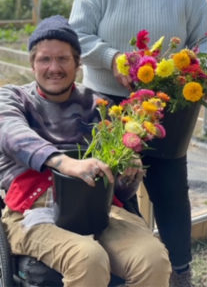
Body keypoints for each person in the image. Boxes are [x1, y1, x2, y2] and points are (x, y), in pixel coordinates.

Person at [68, 0, 207, 287]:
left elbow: (204, 38)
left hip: (166, 110)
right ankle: (131, 272)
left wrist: (186, 70)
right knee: (116, 196)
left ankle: (180, 272)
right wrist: (112, 59)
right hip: (107, 107)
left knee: (170, 192)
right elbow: (76, 34)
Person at [0, 15, 171, 287]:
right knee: (87, 258)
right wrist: (64, 163)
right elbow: (12, 135)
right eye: (45, 59)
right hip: (33, 210)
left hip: (96, 208)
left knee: (152, 259)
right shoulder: (12, 98)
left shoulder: (97, 105)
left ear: (78, 64)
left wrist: (128, 175)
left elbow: (119, 191)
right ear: (32, 64)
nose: (53, 67)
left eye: (63, 59)